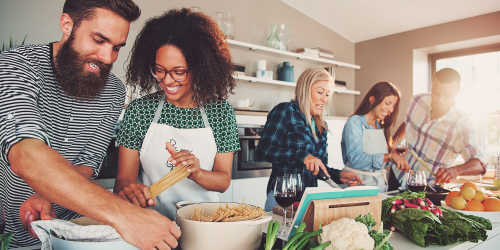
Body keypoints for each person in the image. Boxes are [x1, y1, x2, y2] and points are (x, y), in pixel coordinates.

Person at [0, 1, 182, 249]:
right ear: (67, 24)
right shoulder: (16, 66)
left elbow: (87, 163)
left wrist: (47, 193)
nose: (108, 58)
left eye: (117, 47)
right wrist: (125, 215)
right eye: (98, 40)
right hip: (7, 234)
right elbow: (25, 153)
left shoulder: (114, 91)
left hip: (70, 232)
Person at [113, 8, 240, 220]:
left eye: (178, 72)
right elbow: (123, 180)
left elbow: (223, 181)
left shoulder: (221, 112)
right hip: (153, 223)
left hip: (205, 224)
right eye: (159, 70)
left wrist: (197, 173)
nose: (167, 80)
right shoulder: (140, 111)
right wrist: (130, 193)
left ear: (201, 68)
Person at [257, 68, 363, 211]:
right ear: (305, 90)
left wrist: (339, 176)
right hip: (282, 198)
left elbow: (317, 167)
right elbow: (263, 151)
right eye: (320, 92)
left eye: (327, 94)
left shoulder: (321, 125)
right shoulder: (286, 111)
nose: (324, 99)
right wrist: (302, 156)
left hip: (308, 200)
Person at [392, 68, 487, 185]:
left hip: (426, 188)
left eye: (447, 95)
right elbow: (407, 122)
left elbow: (480, 164)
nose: (440, 100)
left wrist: (455, 170)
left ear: (457, 91)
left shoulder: (464, 123)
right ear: (432, 86)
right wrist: (393, 145)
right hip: (396, 175)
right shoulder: (417, 101)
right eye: (436, 93)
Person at [341, 81, 410, 192]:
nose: (391, 110)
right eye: (388, 103)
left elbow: (377, 162)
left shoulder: (378, 126)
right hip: (357, 186)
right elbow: (356, 159)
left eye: (393, 106)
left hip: (378, 188)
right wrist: (389, 157)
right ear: (372, 100)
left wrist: (393, 155)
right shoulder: (355, 122)